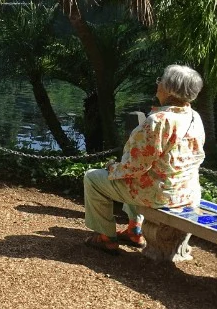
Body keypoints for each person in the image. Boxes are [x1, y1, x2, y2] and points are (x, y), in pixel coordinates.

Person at [83, 64, 206, 254]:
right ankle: (134, 229)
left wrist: (112, 168)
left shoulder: (159, 120)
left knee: (93, 178)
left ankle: (106, 237)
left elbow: (134, 167)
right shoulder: (194, 117)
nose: (158, 84)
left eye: (161, 80)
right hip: (186, 192)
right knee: (140, 178)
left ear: (169, 89)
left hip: (161, 194)